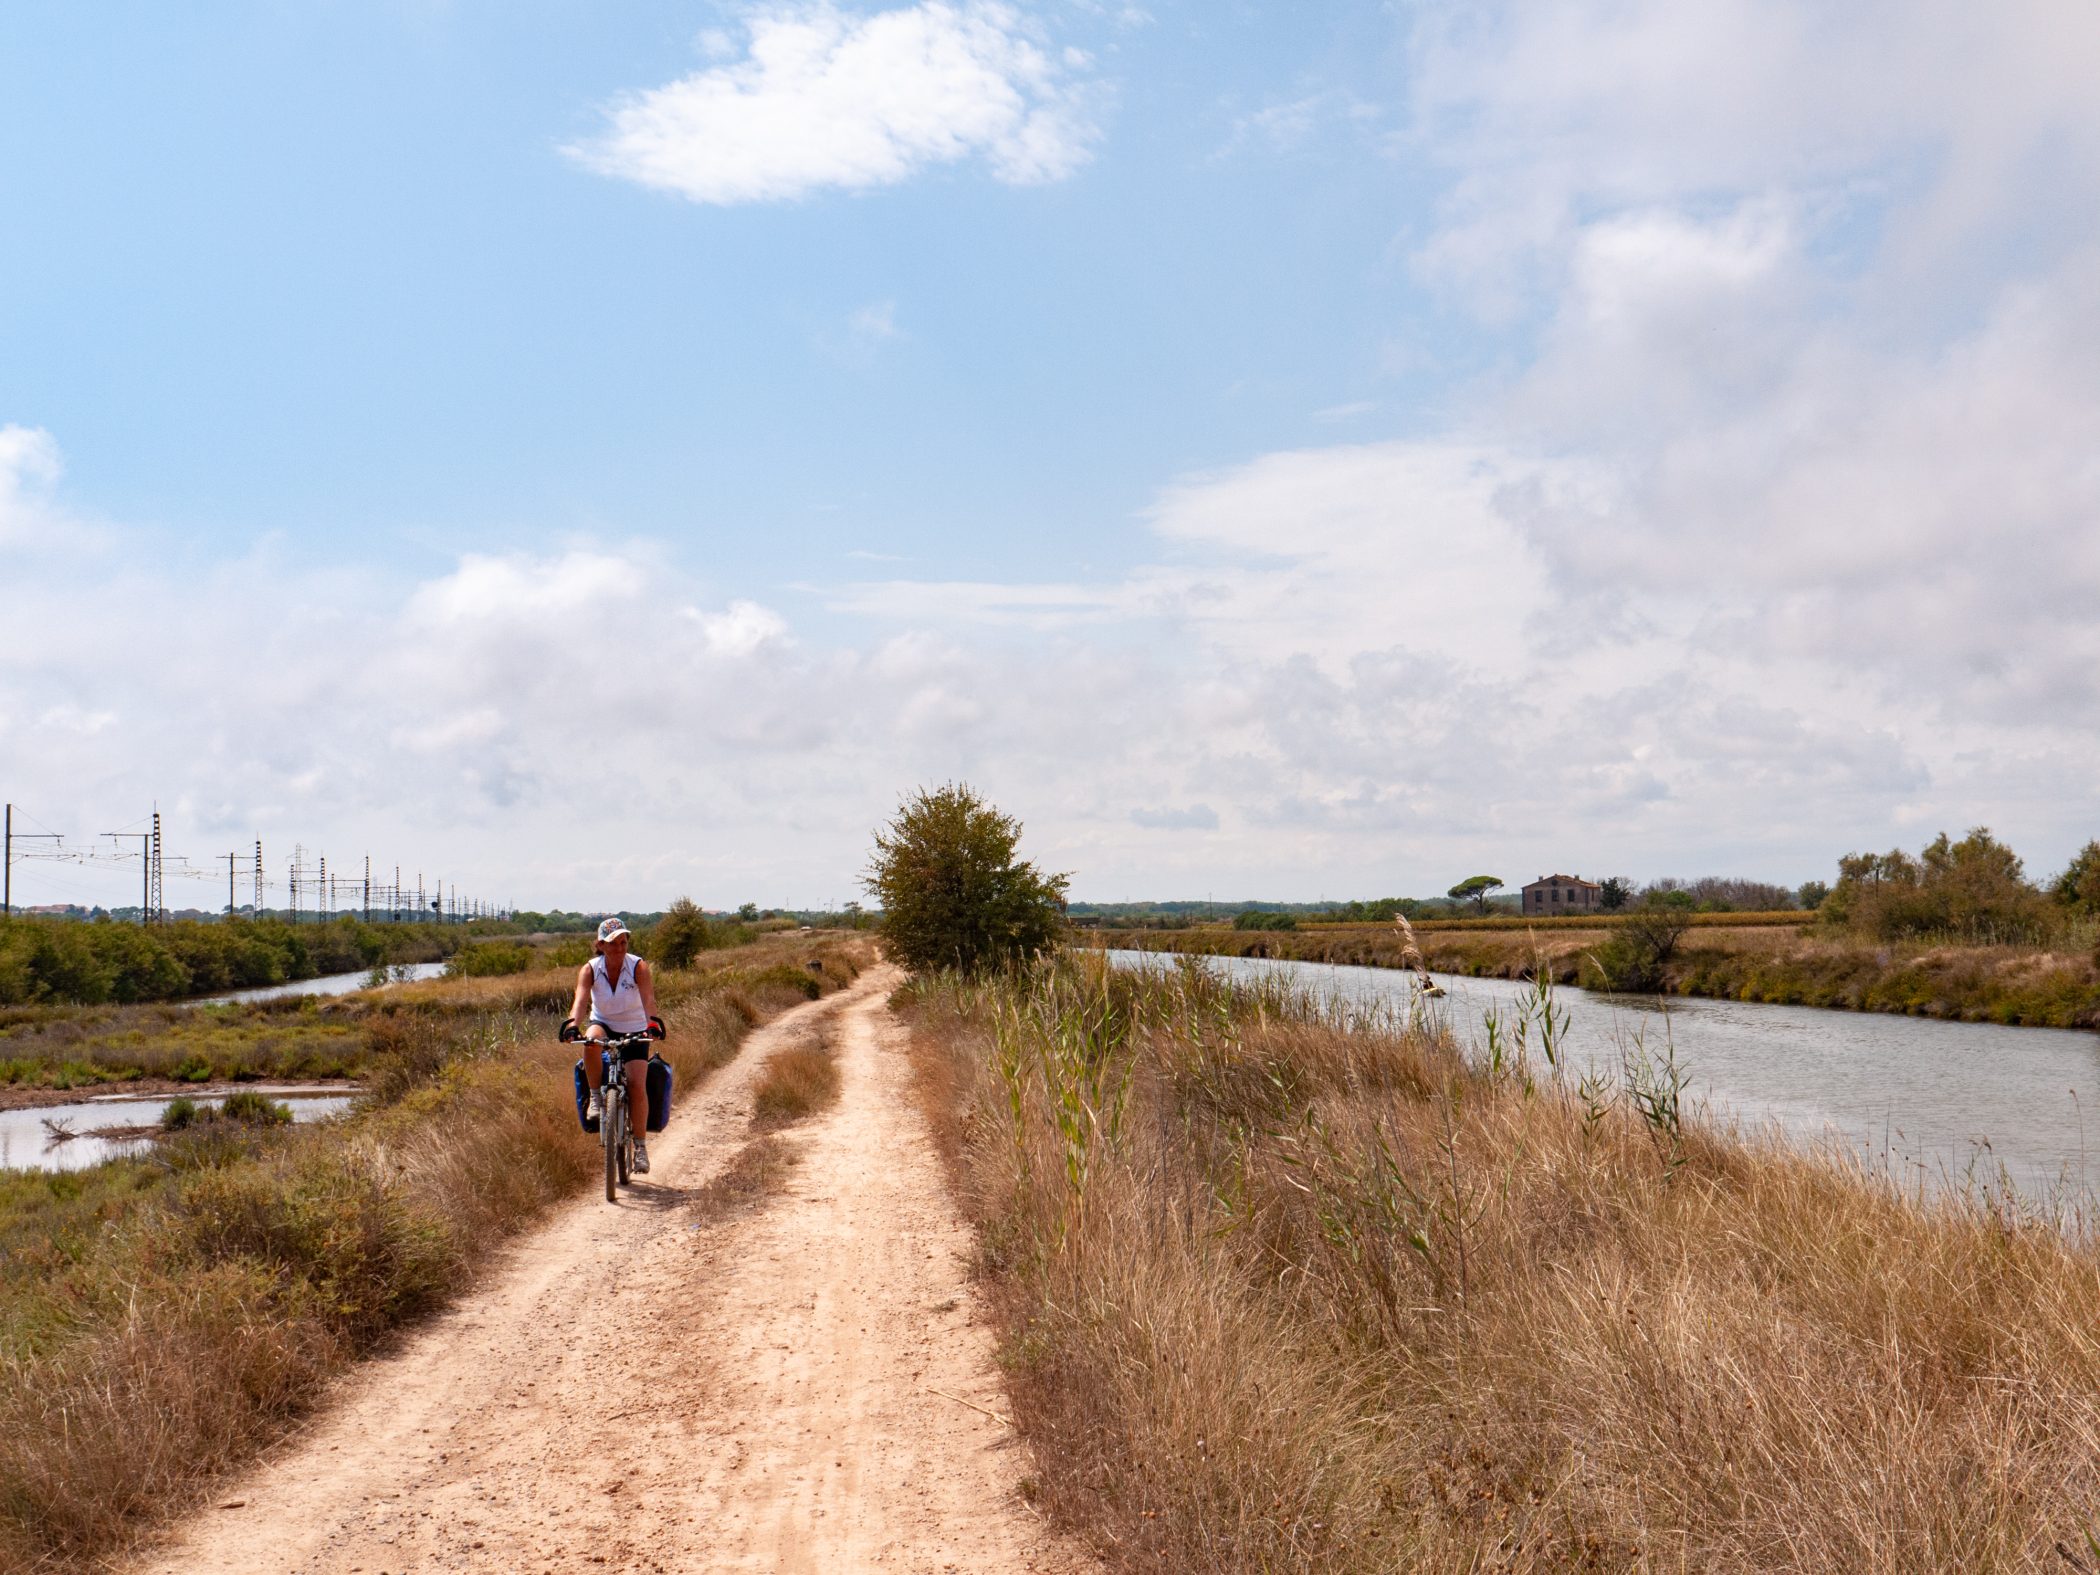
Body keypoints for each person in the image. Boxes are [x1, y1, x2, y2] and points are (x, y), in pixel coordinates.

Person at [568, 917, 664, 1173]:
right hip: (604, 1023)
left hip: (634, 1029)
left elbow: (648, 999)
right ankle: (597, 1099)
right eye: (613, 943)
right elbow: (579, 1002)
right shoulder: (590, 969)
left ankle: (641, 1148)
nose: (620, 948)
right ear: (600, 945)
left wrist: (652, 1024)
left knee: (635, 1084)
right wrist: (570, 1024)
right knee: (590, 1042)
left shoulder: (638, 966)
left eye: (623, 941)